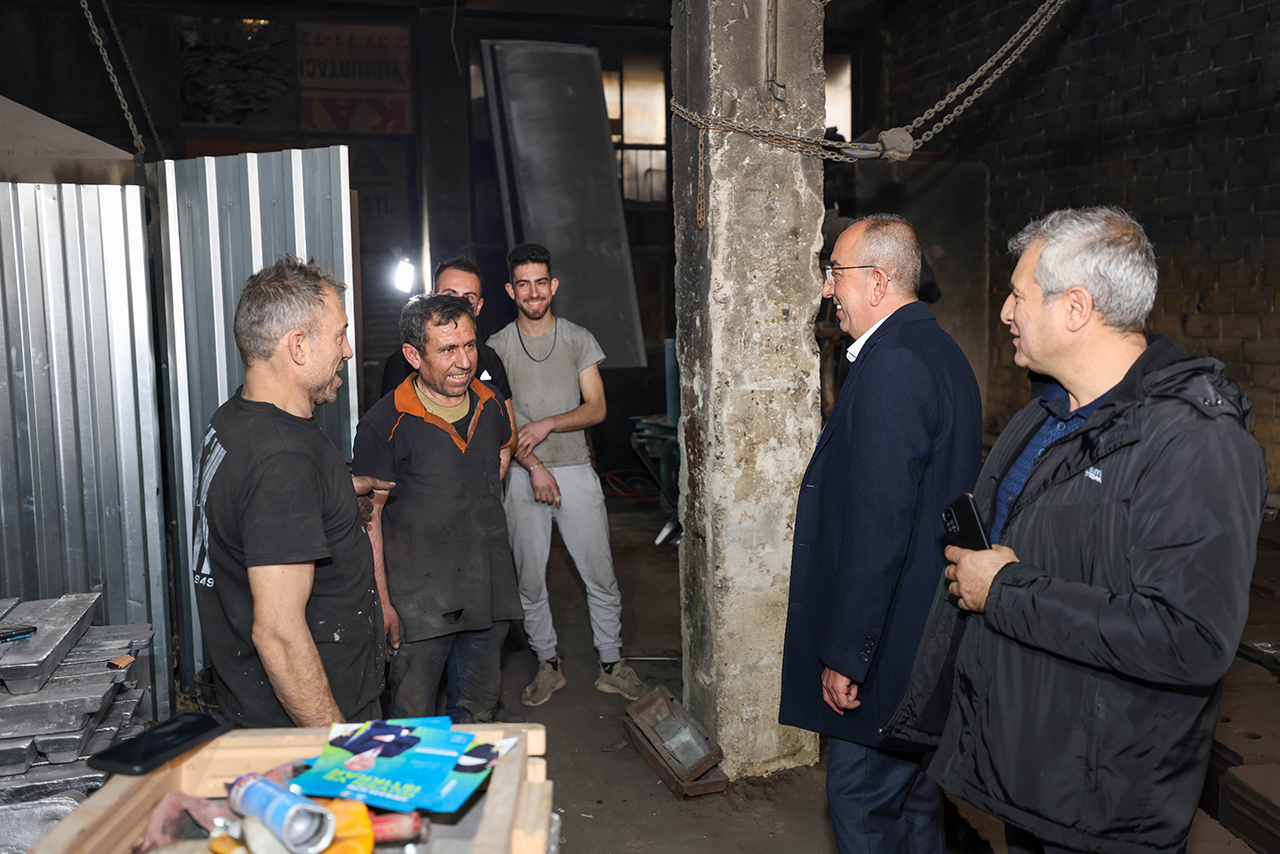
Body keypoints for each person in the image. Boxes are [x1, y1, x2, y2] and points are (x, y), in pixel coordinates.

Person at [881, 207, 1267, 854]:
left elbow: (1189, 639)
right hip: (1030, 774)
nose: (1005, 311)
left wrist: (1004, 590)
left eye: (1019, 295)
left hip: (1104, 804)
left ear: (1076, 308)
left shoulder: (1197, 443)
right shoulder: (1047, 412)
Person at [779, 214, 983, 854]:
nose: (827, 289)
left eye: (835, 273)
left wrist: (848, 653)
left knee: (863, 806)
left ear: (877, 281)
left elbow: (879, 526)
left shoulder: (894, 364)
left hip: (889, 647)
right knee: (914, 808)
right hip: (924, 634)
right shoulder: (936, 350)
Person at [191, 255, 388, 728]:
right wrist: (339, 747)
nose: (347, 351)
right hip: (313, 717)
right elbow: (278, 633)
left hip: (250, 705)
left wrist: (333, 496)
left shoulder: (233, 420)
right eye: (339, 335)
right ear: (298, 346)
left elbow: (250, 512)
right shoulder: (283, 463)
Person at [488, 242, 648, 706]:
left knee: (600, 573)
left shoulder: (578, 338)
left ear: (553, 285)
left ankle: (611, 665)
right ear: (510, 290)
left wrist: (549, 424)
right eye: (523, 284)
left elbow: (596, 408)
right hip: (523, 474)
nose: (533, 292)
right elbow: (501, 424)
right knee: (530, 581)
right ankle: (548, 665)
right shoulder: (496, 347)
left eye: (541, 282)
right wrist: (534, 465)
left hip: (575, 467)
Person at [353, 295, 525, 722]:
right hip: (418, 604)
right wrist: (383, 602)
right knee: (413, 722)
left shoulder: (490, 403)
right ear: (414, 356)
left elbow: (504, 448)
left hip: (487, 591)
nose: (464, 361)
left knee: (478, 714)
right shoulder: (384, 422)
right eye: (448, 349)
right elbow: (370, 520)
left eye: (469, 345)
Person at [380, 257, 511, 402]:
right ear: (432, 298)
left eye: (468, 298)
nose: (458, 304)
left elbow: (505, 414)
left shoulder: (490, 358)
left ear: (479, 306)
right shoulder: (403, 362)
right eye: (450, 295)